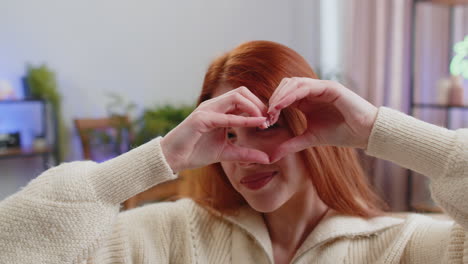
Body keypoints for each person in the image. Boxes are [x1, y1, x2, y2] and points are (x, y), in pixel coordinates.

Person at [0, 40, 467, 264]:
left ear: (314, 129)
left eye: (264, 127)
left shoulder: (405, 245)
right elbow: (12, 247)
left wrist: (375, 130)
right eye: (227, 134)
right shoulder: (167, 236)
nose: (243, 155)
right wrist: (159, 157)